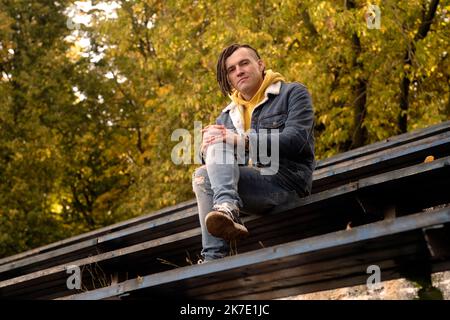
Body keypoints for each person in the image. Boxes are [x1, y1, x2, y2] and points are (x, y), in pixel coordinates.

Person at [192, 43, 315, 262]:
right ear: (229, 78)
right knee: (202, 174)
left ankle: (218, 241)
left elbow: (298, 141)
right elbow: (217, 163)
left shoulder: (292, 93)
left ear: (260, 64)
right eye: (231, 69)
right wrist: (207, 146)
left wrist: (243, 140)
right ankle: (214, 257)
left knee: (212, 163)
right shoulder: (228, 116)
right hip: (249, 189)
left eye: (244, 63)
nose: (238, 70)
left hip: (287, 183)